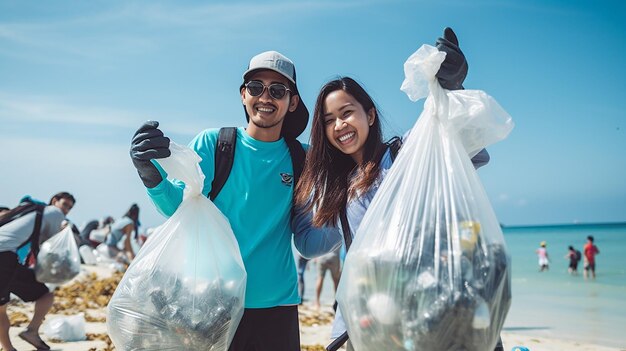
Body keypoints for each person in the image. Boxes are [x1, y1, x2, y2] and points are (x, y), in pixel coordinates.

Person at [295, 28, 503, 351]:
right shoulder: (340, 192)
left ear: (370, 114)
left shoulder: (405, 154)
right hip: (369, 324)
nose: (340, 125)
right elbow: (309, 243)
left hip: (433, 311)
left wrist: (451, 86)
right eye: (329, 119)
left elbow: (465, 142)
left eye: (347, 112)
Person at [129, 50, 341, 351]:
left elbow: (307, 241)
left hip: (277, 307)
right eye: (256, 87)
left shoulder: (302, 158)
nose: (265, 97)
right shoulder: (216, 144)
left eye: (277, 90)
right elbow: (176, 207)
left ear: (292, 102)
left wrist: (350, 218)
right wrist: (149, 173)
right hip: (212, 303)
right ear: (243, 94)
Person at [0, 191, 76, 351]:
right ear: (54, 201)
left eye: (70, 208)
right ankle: (24, 337)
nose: (66, 210)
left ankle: (19, 341)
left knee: (41, 296)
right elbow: (53, 247)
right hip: (4, 257)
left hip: (9, 259)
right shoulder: (54, 213)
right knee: (3, 308)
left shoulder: (31, 210)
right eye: (65, 205)